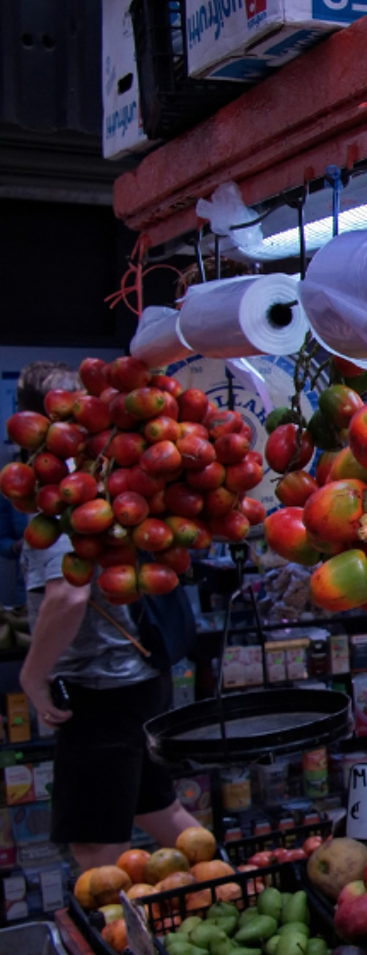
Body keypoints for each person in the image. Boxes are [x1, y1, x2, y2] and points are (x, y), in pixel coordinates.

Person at [14, 362, 199, 868]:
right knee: (159, 812)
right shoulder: (111, 475)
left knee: (95, 847)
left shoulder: (63, 492)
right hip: (138, 676)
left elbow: (68, 596)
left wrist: (33, 677)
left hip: (101, 690)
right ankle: (231, 885)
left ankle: (111, 944)